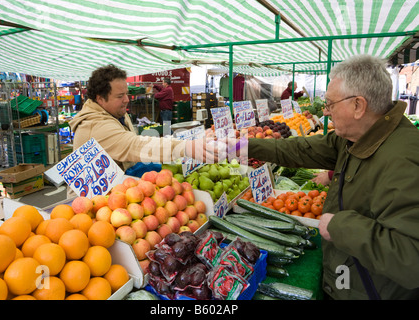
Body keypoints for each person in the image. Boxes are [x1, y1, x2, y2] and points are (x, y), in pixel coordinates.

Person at [217, 55, 419, 300]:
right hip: (349, 277)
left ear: (358, 106)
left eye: (331, 103)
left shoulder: (404, 161)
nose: (325, 110)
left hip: (372, 290)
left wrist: (339, 226)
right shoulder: (356, 137)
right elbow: (301, 149)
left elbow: (411, 258)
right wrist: (245, 147)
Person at [69, 65, 206, 194]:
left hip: (115, 189)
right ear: (100, 99)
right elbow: (135, 145)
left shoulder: (115, 111)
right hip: (90, 202)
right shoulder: (95, 126)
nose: (127, 100)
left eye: (126, 94)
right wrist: (185, 147)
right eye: (119, 96)